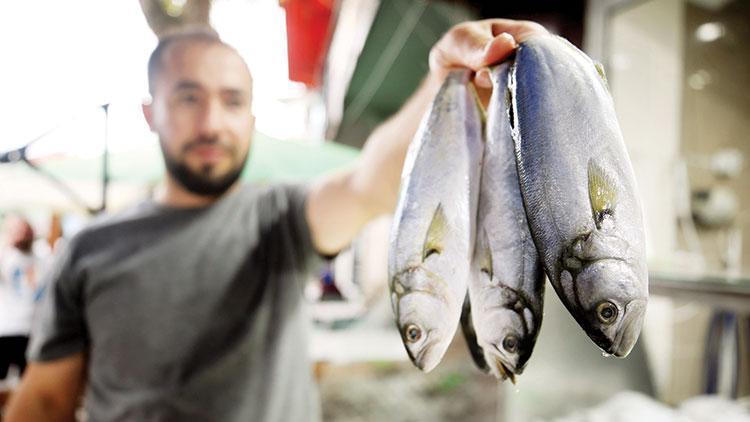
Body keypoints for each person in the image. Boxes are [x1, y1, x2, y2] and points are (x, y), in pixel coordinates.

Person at [6, 18, 546, 421]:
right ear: (152, 113)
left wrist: (443, 80)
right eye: (188, 98)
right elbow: (48, 399)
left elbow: (369, 183)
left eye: (232, 101)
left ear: (252, 117)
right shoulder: (89, 250)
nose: (212, 122)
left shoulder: (277, 218)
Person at [0, 216, 48, 382]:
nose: (23, 234)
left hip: (33, 331)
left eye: (26, 230)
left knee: (29, 382)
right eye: (18, 230)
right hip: (6, 329)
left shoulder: (44, 258)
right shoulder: (5, 257)